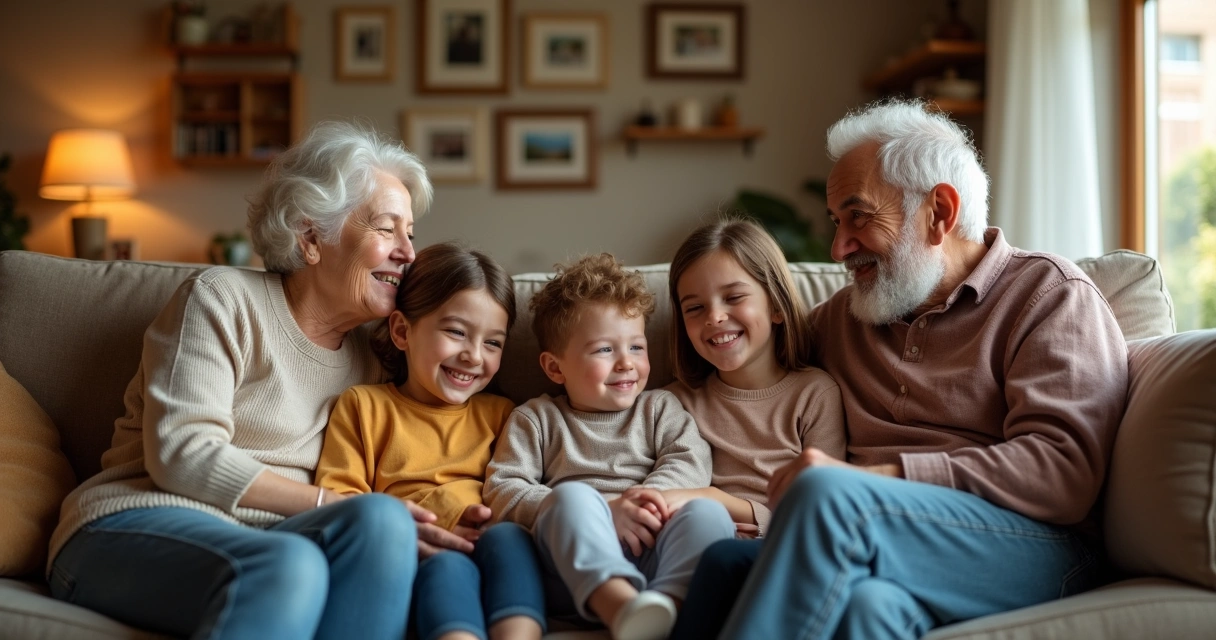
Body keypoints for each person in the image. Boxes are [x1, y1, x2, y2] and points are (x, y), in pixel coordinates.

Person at [680, 99, 1130, 639]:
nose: (838, 246)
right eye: (836, 221)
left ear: (939, 211)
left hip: (1038, 548)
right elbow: (749, 356)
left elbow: (1064, 471)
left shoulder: (1048, 297)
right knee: (870, 608)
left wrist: (874, 482)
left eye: (858, 216)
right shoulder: (846, 317)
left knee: (826, 497)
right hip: (883, 542)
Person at [46, 121, 470, 640]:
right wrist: (328, 506)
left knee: (379, 523)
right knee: (291, 564)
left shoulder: (379, 358)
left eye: (411, 233)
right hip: (130, 525)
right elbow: (183, 451)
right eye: (387, 229)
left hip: (282, 542)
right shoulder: (221, 298)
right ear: (311, 236)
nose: (409, 253)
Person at [483, 254, 736, 640]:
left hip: (653, 544)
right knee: (572, 498)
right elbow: (503, 488)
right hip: (569, 570)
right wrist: (606, 511)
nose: (626, 364)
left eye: (636, 347)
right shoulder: (536, 418)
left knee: (708, 514)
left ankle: (668, 610)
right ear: (555, 368)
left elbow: (690, 460)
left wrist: (644, 501)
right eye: (604, 350)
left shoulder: (659, 407)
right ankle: (619, 604)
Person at [315, 241, 547, 640]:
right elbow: (341, 503)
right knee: (446, 565)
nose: (474, 356)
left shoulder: (503, 414)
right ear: (403, 331)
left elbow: (521, 490)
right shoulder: (364, 406)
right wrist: (441, 514)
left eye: (492, 342)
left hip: (494, 543)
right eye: (457, 332)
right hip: (423, 554)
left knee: (511, 539)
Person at [660, 217, 846, 541]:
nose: (714, 317)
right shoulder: (672, 404)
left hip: (782, 547)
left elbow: (824, 507)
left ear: (776, 305)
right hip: (694, 547)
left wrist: (720, 502)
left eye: (733, 298)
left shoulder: (815, 395)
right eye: (695, 308)